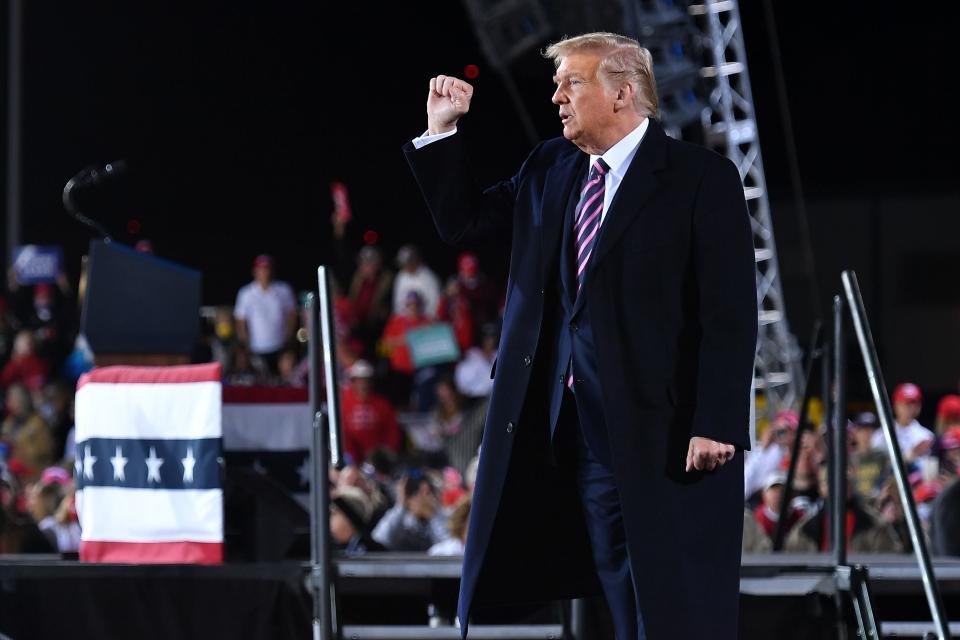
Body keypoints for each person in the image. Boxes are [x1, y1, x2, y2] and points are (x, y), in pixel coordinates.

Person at [404, 32, 757, 639]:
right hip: (577, 430)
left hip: (667, 433)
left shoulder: (701, 178)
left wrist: (716, 420)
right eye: (557, 83)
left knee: (676, 593)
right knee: (614, 582)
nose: (557, 96)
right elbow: (465, 223)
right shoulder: (550, 166)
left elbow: (728, 313)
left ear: (622, 93)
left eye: (571, 82)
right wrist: (442, 133)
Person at [233, 254, 297, 375]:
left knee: (284, 376)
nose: (264, 272)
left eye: (266, 268)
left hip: (280, 346)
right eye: (261, 269)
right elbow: (240, 319)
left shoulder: (284, 290)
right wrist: (244, 343)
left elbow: (291, 314)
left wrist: (288, 337)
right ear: (255, 271)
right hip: (255, 347)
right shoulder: (245, 293)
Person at [870, 382, 935, 467]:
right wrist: (907, 457)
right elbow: (874, 466)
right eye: (906, 403)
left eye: (914, 403)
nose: (910, 408)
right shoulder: (881, 435)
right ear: (896, 405)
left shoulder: (926, 436)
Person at [392, 244, 440, 320]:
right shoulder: (401, 276)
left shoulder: (429, 278)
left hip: (425, 321)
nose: (406, 266)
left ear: (417, 260)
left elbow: (435, 305)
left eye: (409, 263)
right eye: (403, 264)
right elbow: (397, 304)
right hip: (404, 320)